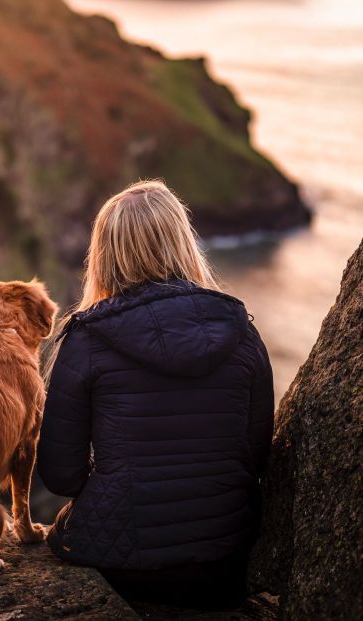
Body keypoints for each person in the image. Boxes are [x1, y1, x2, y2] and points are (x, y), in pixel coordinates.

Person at [37, 180, 274, 607]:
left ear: (105, 255)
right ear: (183, 242)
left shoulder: (87, 339)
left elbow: (60, 475)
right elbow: (254, 457)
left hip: (125, 568)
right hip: (224, 559)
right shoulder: (241, 331)